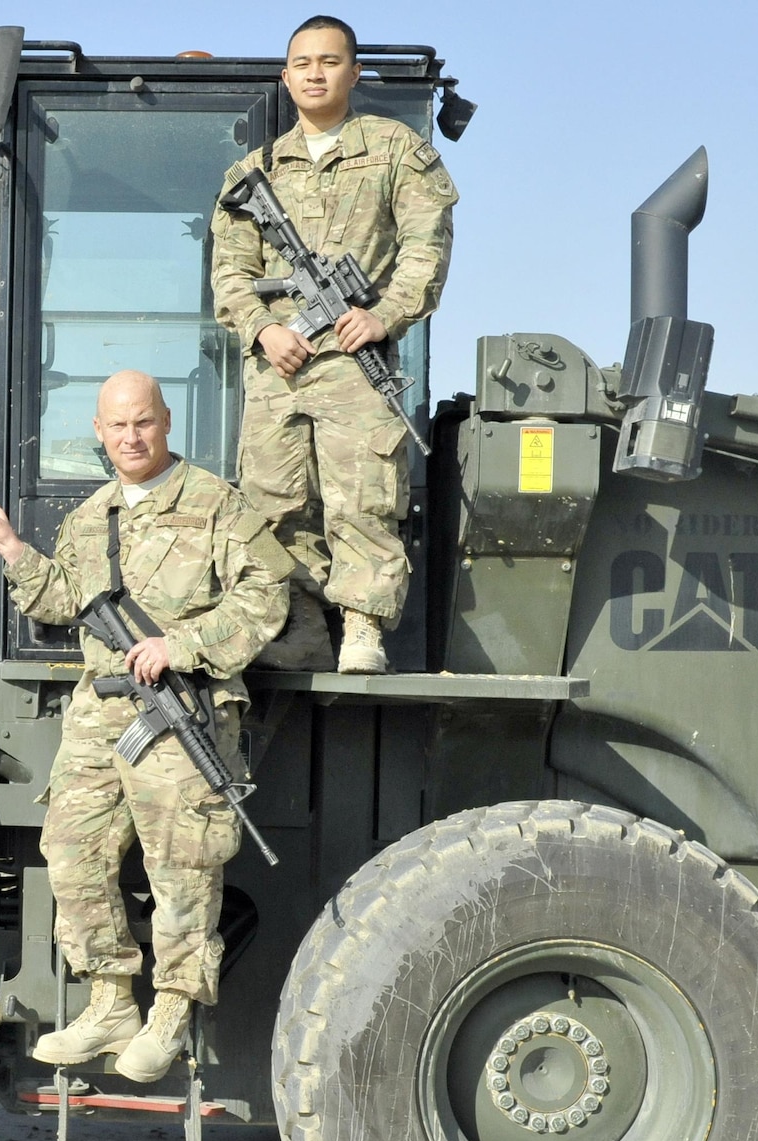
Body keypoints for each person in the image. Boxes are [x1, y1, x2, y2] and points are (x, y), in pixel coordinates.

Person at [0, 372, 289, 1080]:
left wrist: (184, 648)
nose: (131, 437)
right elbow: (67, 601)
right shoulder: (91, 518)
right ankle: (111, 1000)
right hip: (101, 713)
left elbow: (268, 595)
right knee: (71, 850)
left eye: (143, 422)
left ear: (167, 421)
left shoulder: (216, 504)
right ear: (99, 431)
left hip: (180, 708)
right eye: (117, 426)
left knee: (183, 867)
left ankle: (171, 1014)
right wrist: (16, 554)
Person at [211, 13, 457, 674]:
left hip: (355, 357)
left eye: (329, 61)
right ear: (285, 77)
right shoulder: (255, 170)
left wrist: (387, 315)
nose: (315, 74)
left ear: (353, 72)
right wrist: (263, 329)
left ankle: (362, 628)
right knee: (272, 501)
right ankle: (298, 625)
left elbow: (425, 247)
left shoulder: (396, 149)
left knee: (364, 495)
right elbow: (229, 272)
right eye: (303, 63)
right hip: (280, 366)